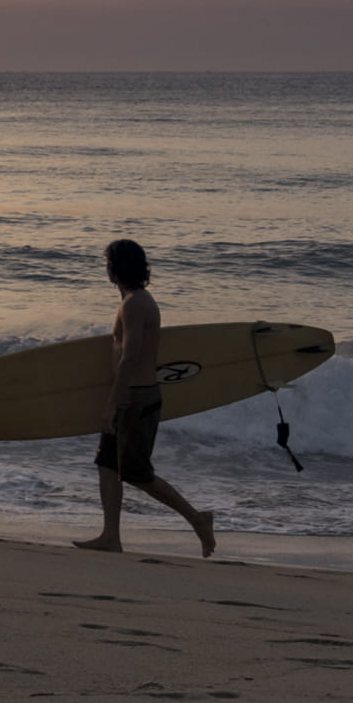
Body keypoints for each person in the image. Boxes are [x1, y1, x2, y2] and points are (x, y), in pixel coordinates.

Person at [72, 238, 215, 557]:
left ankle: (198, 519)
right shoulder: (134, 301)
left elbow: (130, 358)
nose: (105, 268)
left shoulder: (136, 304)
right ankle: (111, 536)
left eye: (107, 262)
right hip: (132, 395)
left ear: (116, 268)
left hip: (135, 399)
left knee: (137, 473)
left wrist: (112, 404)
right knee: (107, 465)